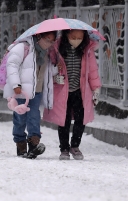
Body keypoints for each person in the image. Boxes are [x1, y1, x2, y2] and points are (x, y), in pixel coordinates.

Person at [43, 29, 101, 160]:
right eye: (73, 37)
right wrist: (55, 77)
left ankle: (75, 146)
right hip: (62, 91)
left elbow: (93, 71)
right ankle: (64, 148)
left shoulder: (87, 51)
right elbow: (48, 68)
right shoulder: (56, 49)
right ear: (66, 36)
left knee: (81, 119)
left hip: (81, 91)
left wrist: (95, 89)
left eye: (79, 38)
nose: (76, 40)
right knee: (64, 120)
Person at [3, 31, 58, 159]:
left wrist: (57, 64)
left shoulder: (48, 53)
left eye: (52, 40)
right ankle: (20, 144)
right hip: (21, 91)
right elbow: (12, 65)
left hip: (37, 91)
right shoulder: (23, 47)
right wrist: (15, 84)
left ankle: (34, 145)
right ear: (39, 36)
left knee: (34, 116)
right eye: (47, 39)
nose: (49, 43)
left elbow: (49, 71)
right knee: (20, 119)